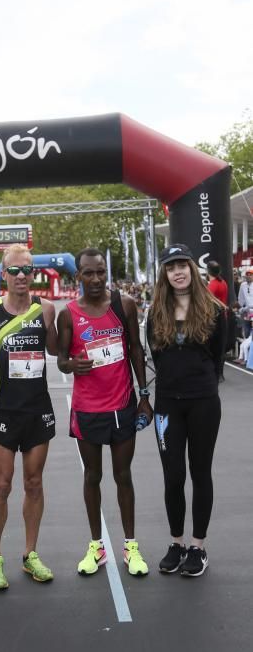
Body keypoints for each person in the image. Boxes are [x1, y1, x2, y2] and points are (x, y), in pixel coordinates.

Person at [57, 248, 152, 578]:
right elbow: (61, 361)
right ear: (78, 276)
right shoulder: (69, 314)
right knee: (92, 477)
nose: (96, 279)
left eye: (100, 273)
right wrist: (72, 365)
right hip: (87, 410)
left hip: (123, 405)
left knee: (123, 476)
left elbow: (136, 349)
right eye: (89, 273)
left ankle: (131, 547)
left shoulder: (123, 305)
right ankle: (96, 545)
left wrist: (144, 395)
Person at [0, 244, 57, 590]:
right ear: (3, 274)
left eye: (27, 269)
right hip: (3, 411)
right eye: (15, 270)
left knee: (34, 483)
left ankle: (30, 554)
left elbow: (56, 348)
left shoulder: (47, 309)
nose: (22, 276)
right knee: (2, 483)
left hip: (37, 409)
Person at [147, 244, 226, 577]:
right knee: (173, 476)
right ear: (164, 274)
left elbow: (219, 355)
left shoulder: (215, 310)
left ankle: (198, 547)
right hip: (167, 405)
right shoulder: (155, 313)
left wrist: (199, 382)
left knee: (200, 472)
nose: (177, 271)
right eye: (170, 267)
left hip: (204, 403)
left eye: (182, 265)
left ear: (193, 269)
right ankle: (177, 543)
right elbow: (156, 354)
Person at [206, 261, 229, 380]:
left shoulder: (213, 284)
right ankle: (220, 373)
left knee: (214, 347)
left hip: (215, 319)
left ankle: (217, 373)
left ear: (207, 271)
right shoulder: (223, 282)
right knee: (220, 346)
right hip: (222, 318)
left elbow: (208, 298)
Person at [238, 269, 253, 338]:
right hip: (246, 312)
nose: (249, 276)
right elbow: (241, 298)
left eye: (250, 275)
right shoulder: (243, 285)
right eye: (247, 275)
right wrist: (240, 308)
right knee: (246, 330)